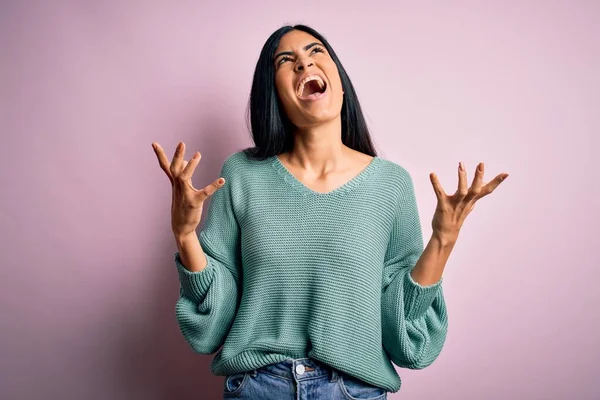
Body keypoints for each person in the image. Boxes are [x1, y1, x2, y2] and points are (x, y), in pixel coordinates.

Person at [152, 24, 508, 400]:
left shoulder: (390, 184)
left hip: (355, 389)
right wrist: (185, 234)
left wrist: (444, 240)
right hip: (259, 387)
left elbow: (403, 333)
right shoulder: (241, 176)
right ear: (274, 96)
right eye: (286, 61)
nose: (304, 63)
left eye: (315, 52)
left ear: (339, 83)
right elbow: (211, 324)